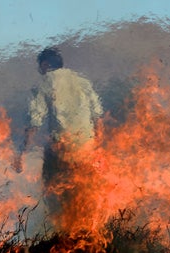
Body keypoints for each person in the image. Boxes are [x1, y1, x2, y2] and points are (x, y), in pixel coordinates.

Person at [13, 47, 103, 215]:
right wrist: (98, 148)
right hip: (87, 148)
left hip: (62, 150)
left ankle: (61, 229)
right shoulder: (82, 81)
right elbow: (98, 117)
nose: (39, 70)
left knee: (53, 191)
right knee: (86, 194)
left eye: (40, 66)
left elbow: (34, 122)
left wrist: (22, 154)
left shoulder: (44, 83)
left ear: (45, 64)